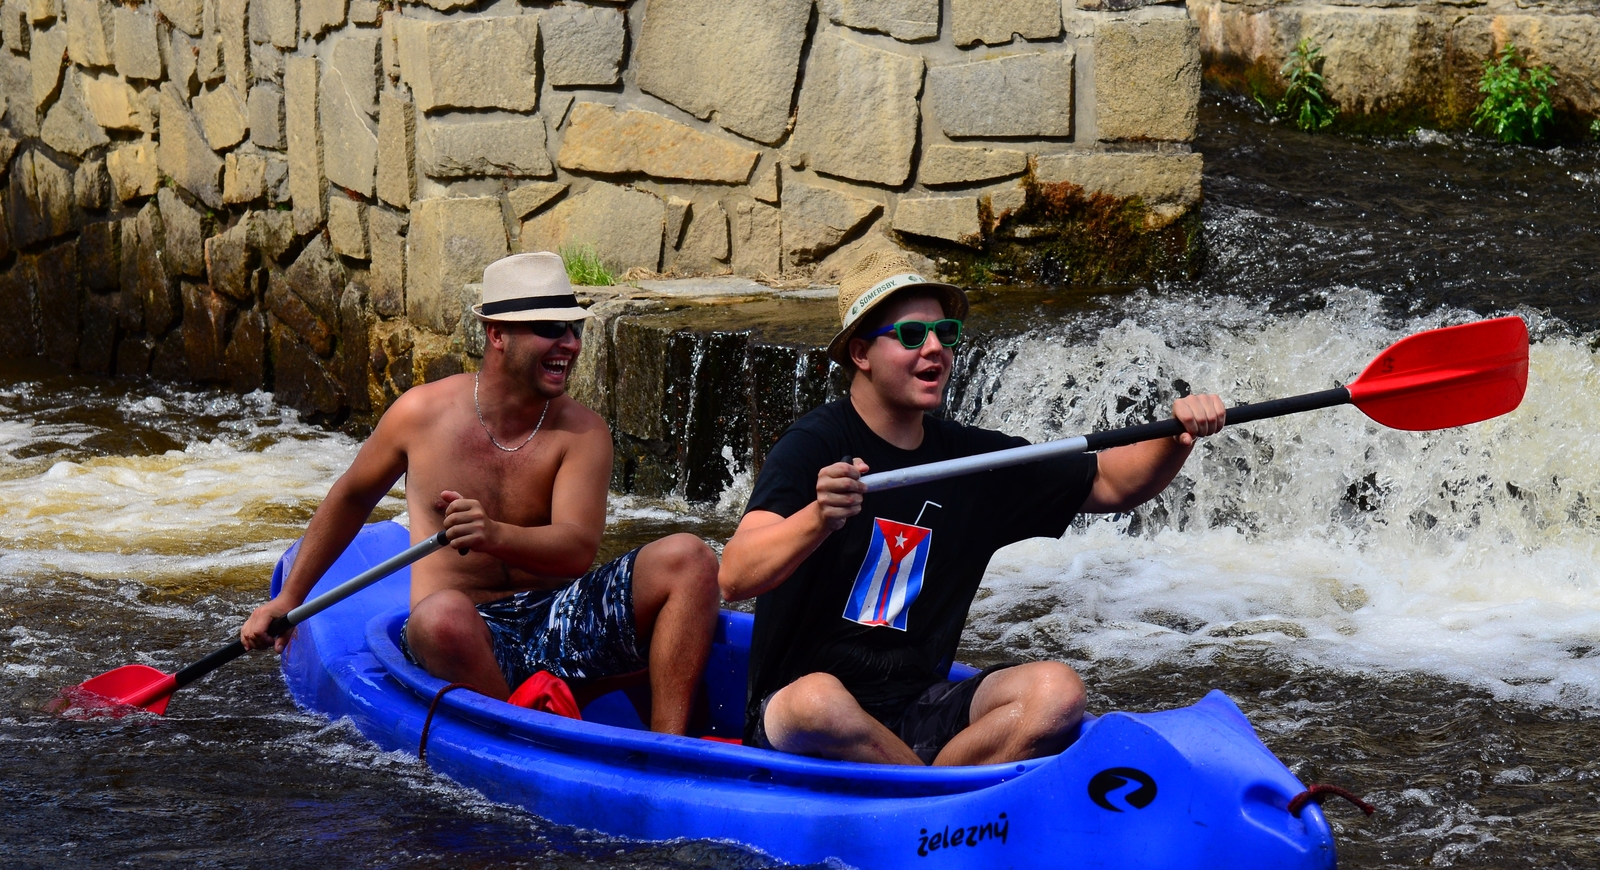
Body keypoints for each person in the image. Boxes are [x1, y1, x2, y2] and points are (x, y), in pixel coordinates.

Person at [718, 251, 1226, 766]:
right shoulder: (812, 445)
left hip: (919, 706)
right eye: (912, 336)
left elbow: (1110, 483)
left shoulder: (972, 460)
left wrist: (1178, 434)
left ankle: (922, 786)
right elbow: (736, 575)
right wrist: (818, 518)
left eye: (945, 333)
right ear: (861, 353)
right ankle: (930, 797)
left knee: (1058, 692)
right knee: (818, 700)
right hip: (800, 717)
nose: (935, 348)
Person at [242, 251, 720, 734]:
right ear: (497, 334)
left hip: (555, 620)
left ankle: (670, 750)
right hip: (463, 633)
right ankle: (523, 734)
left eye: (574, 329)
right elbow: (351, 498)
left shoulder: (583, 432)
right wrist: (289, 598)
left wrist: (493, 533)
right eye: (552, 329)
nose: (570, 344)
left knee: (691, 557)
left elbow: (577, 551)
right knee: (439, 617)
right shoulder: (421, 415)